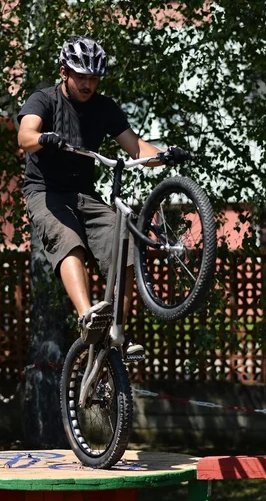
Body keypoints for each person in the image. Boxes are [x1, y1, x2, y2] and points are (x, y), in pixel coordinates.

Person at [17, 35, 188, 360]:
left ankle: (115, 333)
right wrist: (43, 138)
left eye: (93, 78)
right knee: (68, 239)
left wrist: (164, 154)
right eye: (81, 76)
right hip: (45, 192)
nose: (87, 84)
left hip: (85, 194)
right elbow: (25, 136)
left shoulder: (104, 108)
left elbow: (137, 149)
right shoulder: (44, 100)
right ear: (64, 72)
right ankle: (89, 317)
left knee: (121, 236)